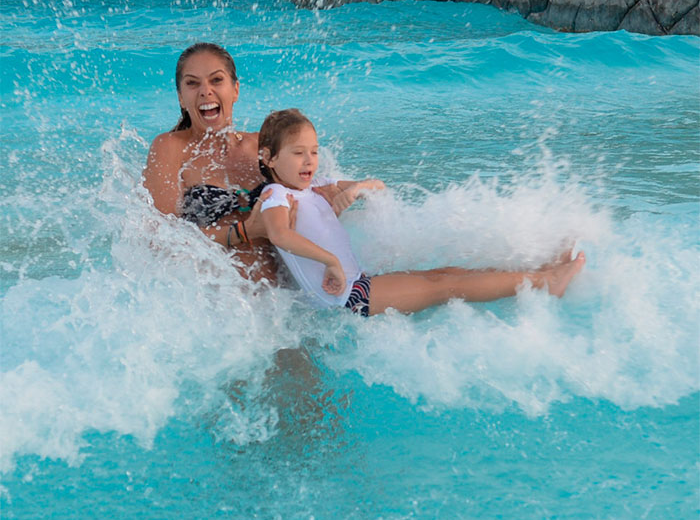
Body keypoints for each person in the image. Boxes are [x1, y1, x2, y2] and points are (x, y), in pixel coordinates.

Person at [258, 109, 586, 316]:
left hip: (359, 286)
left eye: (314, 152)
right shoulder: (276, 194)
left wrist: (353, 191)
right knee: (442, 286)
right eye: (298, 153)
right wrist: (330, 261)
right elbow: (279, 233)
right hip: (346, 300)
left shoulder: (317, 187)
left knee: (448, 272)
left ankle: (537, 275)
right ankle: (544, 282)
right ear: (269, 158)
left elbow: (379, 187)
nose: (309, 161)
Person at [142, 42, 347, 281]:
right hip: (222, 301)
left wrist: (332, 202)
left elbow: (305, 204)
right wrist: (244, 231)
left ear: (235, 90)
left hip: (292, 292)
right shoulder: (170, 148)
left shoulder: (264, 146)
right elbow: (162, 239)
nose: (205, 91)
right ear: (180, 98)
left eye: (216, 80)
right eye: (192, 83)